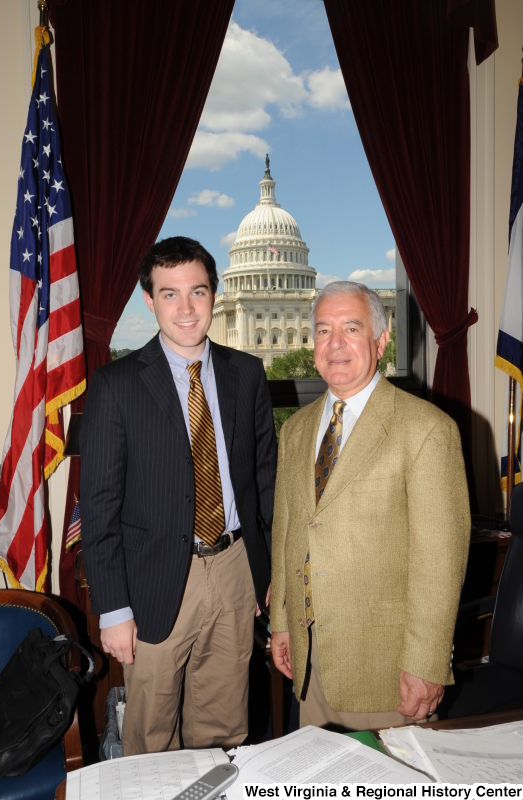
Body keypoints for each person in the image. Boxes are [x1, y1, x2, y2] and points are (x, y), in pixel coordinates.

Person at [80, 236, 277, 754]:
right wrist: (113, 609)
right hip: (154, 582)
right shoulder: (115, 384)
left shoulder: (247, 374)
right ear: (150, 300)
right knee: (151, 734)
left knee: (223, 726)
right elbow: (98, 509)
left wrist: (267, 571)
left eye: (197, 292)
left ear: (214, 295)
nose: (186, 309)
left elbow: (263, 480)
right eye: (170, 294)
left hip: (235, 567)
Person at [270, 281, 470, 730]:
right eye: (323, 330)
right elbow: (288, 531)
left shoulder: (427, 429)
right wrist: (281, 621)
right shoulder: (296, 430)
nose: (334, 343)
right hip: (311, 655)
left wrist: (427, 662)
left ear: (381, 342)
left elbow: (440, 562)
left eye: (351, 328)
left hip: (387, 667)